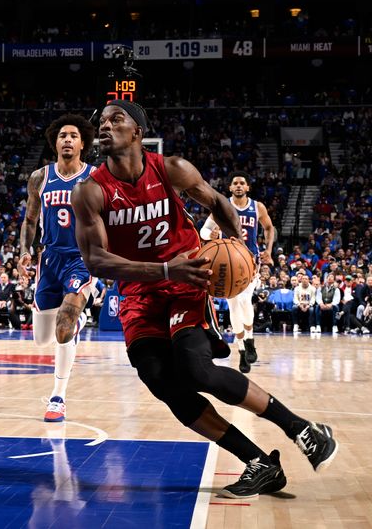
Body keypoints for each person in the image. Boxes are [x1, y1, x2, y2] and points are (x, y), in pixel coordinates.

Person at [71, 99, 337, 499]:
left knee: (196, 370)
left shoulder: (171, 168)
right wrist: (163, 270)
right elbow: (96, 260)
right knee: (162, 383)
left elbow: (216, 202)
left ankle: (301, 428)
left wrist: (241, 245)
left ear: (138, 133)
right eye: (101, 121)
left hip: (188, 282)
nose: (105, 126)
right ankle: (260, 463)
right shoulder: (89, 192)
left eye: (116, 119)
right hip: (139, 294)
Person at [18, 114, 97, 422]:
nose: (67, 139)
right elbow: (29, 220)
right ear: (55, 141)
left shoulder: (95, 178)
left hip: (80, 259)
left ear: (82, 143)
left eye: (73, 135)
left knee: (64, 329)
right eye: (62, 134)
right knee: (41, 338)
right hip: (49, 260)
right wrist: (25, 250)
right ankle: (73, 321)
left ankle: (57, 398)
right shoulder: (40, 177)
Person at [199, 173, 275, 373]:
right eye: (235, 183)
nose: (239, 185)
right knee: (233, 306)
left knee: (243, 301)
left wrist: (268, 250)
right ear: (230, 188)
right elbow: (203, 232)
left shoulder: (257, 207)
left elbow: (269, 228)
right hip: (229, 261)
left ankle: (249, 338)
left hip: (249, 260)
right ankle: (242, 349)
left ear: (247, 187)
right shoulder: (222, 208)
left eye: (242, 183)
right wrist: (211, 234)